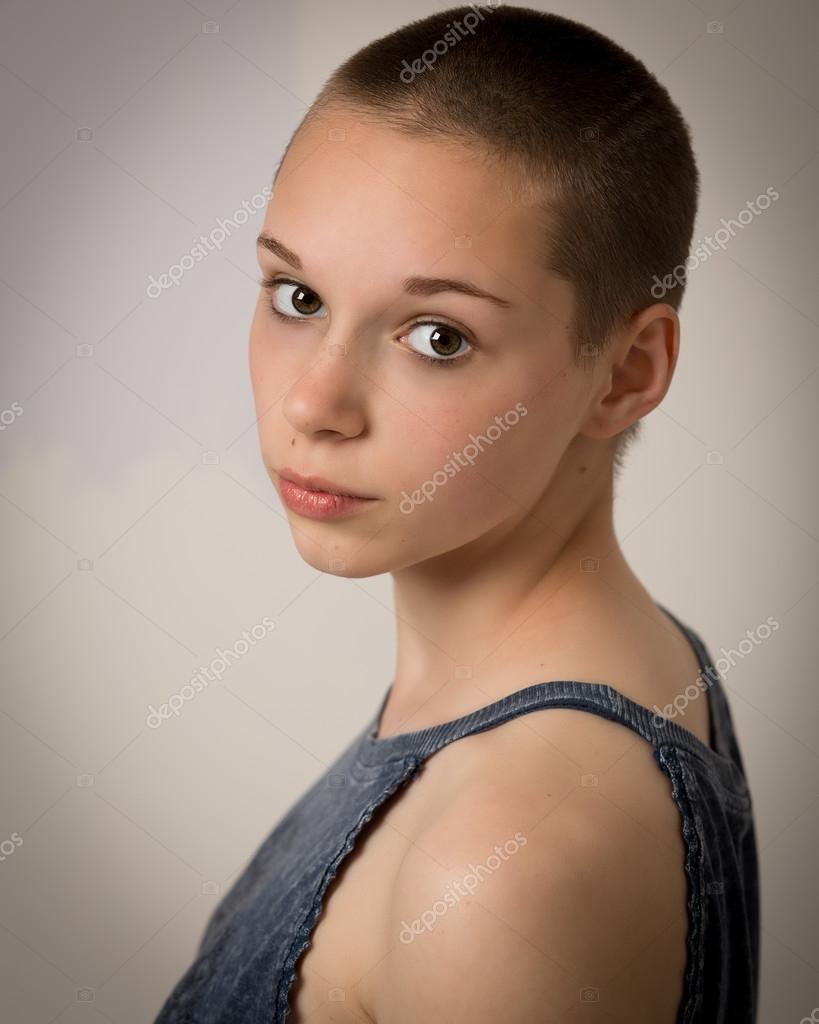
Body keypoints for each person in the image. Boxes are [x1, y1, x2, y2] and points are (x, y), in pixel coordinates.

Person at [154, 5, 759, 1022]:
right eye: (296, 296)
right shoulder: (637, 661)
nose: (313, 405)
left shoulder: (497, 872)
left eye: (436, 335)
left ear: (627, 370)